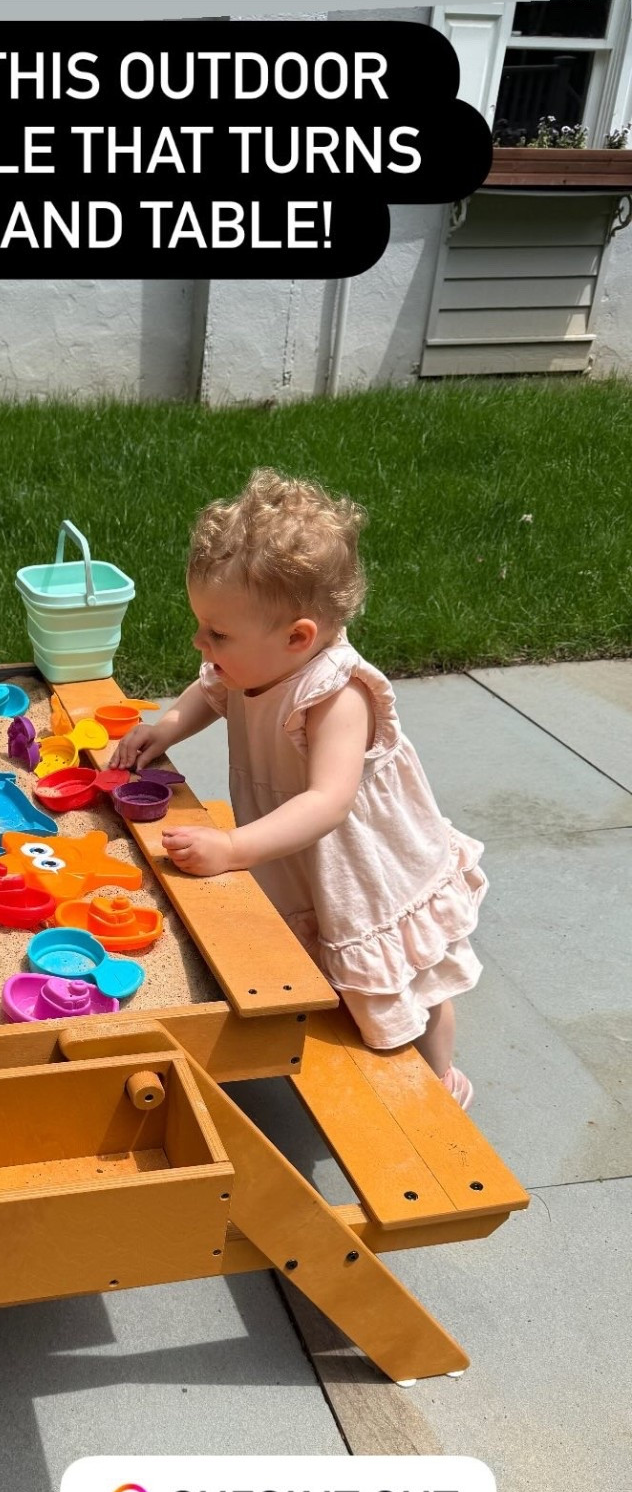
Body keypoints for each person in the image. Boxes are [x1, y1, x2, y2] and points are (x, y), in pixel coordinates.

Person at [111, 469, 485, 1107]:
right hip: (299, 844)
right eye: (202, 625)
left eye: (217, 634)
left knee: (404, 982)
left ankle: (438, 1080)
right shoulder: (255, 660)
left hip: (363, 860)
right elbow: (212, 688)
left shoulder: (336, 693)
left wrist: (231, 848)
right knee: (318, 946)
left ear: (298, 637)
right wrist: (166, 729)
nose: (201, 643)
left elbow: (328, 801)